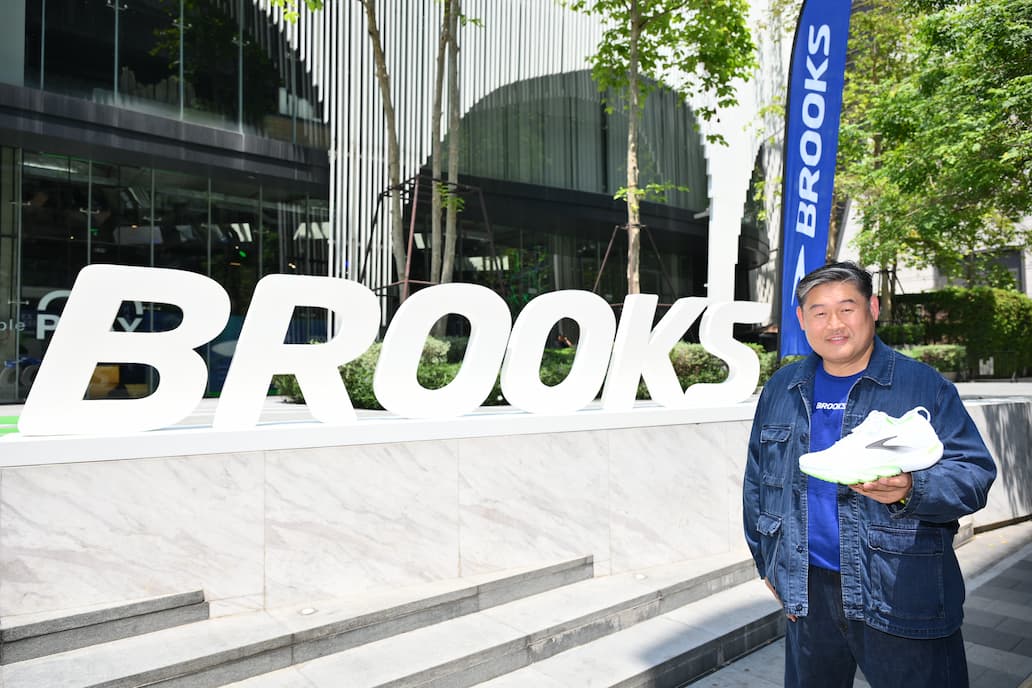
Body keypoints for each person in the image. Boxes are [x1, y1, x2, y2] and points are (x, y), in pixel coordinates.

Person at [743, 261, 996, 688]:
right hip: (809, 593)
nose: (834, 324)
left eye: (847, 308)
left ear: (873, 308)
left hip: (901, 590)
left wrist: (911, 488)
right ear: (802, 319)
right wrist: (768, 563)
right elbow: (756, 482)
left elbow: (974, 474)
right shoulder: (782, 388)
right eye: (819, 312)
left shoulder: (922, 386)